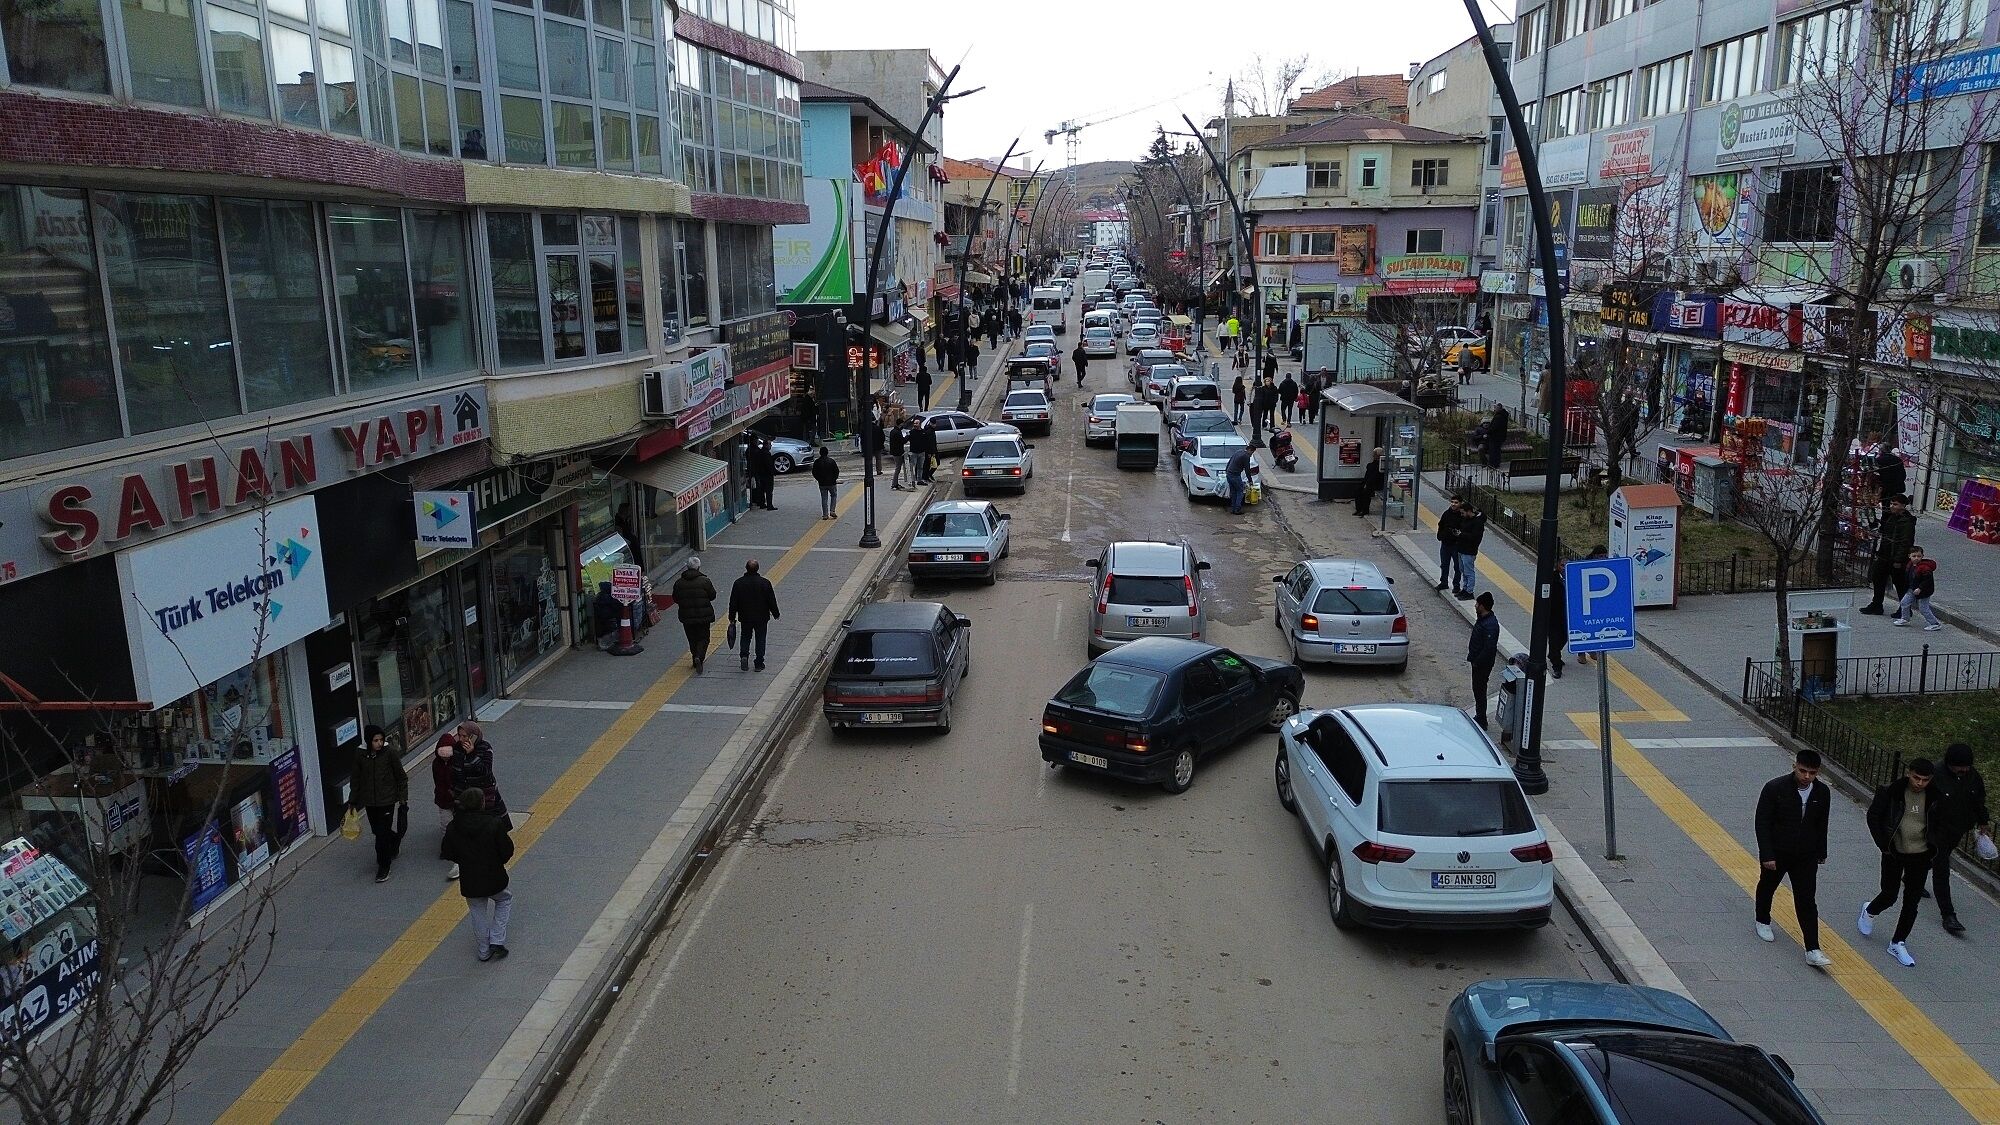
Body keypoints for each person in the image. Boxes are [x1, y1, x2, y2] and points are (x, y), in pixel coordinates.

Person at [1753, 749, 1834, 967]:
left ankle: (1812, 949)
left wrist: (1821, 851)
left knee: (1807, 900)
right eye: (1803, 771)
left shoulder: (1822, 793)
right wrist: (1767, 854)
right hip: (1778, 852)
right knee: (1768, 886)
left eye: (1812, 773)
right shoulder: (1775, 788)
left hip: (1805, 855)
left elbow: (1821, 824)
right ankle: (1762, 919)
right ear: (1794, 766)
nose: (1807, 776)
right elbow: (1762, 823)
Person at [1863, 757, 1945, 966]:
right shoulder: (1891, 792)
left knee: (1912, 901)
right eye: (1916, 778)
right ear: (1909, 773)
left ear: (1930, 780)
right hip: (1894, 852)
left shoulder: (1936, 797)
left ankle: (1898, 942)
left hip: (1921, 855)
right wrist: (1883, 845)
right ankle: (1870, 910)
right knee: (1889, 894)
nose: (1919, 783)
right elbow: (1874, 817)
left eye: (1924, 780)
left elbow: (1941, 822)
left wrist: (1935, 845)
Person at [441, 788, 514, 963]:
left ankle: (483, 951)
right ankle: (497, 939)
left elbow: (447, 852)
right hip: (494, 876)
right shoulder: (493, 823)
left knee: (477, 911)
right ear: (481, 803)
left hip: (470, 879)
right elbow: (507, 850)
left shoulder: (454, 826)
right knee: (504, 900)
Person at [1932, 744, 1989, 936]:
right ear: (1950, 764)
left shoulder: (1972, 776)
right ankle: (1948, 915)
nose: (1964, 770)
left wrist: (1983, 821)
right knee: (1941, 868)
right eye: (1960, 767)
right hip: (1936, 829)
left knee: (1936, 858)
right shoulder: (1936, 775)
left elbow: (1978, 799)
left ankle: (1912, 874)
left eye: (1967, 767)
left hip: (1957, 828)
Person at [349, 725, 408, 883]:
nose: (379, 743)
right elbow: (355, 778)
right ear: (369, 741)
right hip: (370, 801)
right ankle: (394, 840)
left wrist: (403, 798)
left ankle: (384, 866)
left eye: (381, 740)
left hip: (387, 800)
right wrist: (352, 800)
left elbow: (401, 777)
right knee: (377, 830)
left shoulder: (389, 753)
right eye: (376, 740)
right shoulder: (360, 754)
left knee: (381, 835)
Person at [1861, 494, 1918, 614]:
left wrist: (1898, 560)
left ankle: (1905, 609)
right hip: (1885, 556)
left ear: (1903, 506)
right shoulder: (1892, 518)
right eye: (1891, 503)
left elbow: (1905, 542)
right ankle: (1876, 605)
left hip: (1896, 559)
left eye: (1895, 504)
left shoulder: (1906, 522)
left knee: (1900, 583)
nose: (1892, 506)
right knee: (1878, 578)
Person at [728, 558, 781, 672]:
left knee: (745, 636)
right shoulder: (765, 583)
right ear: (758, 569)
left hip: (745, 617)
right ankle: (758, 662)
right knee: (760, 638)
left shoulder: (738, 583)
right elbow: (771, 600)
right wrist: (776, 613)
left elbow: (733, 602)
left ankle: (744, 656)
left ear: (746, 568)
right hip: (762, 617)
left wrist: (732, 618)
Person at [671, 557, 718, 674]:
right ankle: (699, 657)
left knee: (692, 638)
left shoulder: (679, 583)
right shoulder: (705, 581)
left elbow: (675, 598)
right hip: (704, 615)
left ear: (687, 567)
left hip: (686, 616)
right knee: (704, 637)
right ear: (698, 567)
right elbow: (712, 595)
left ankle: (694, 657)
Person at [430, 734, 461, 879]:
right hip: (444, 799)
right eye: (443, 757)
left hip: (457, 798)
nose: (445, 760)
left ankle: (455, 847)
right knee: (446, 824)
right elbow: (437, 781)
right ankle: (447, 847)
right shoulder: (436, 764)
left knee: (458, 823)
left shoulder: (457, 762)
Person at [1467, 592, 1499, 729]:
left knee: (1480, 690)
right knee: (1477, 689)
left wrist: (1477, 661)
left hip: (1482, 664)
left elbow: (1489, 648)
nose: (1475, 606)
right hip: (1478, 661)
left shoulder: (1490, 624)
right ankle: (1480, 716)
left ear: (1483, 606)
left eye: (1477, 604)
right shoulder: (1483, 619)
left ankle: (1482, 718)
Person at [1890, 544, 1940, 631]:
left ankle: (1935, 623)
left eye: (1919, 556)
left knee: (1923, 608)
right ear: (1909, 556)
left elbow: (1927, 581)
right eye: (1914, 556)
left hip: (1923, 591)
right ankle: (1905, 618)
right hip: (1912, 589)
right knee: (1904, 602)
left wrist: (1920, 588)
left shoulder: (1924, 568)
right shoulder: (1910, 565)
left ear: (1922, 556)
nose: (1916, 558)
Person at [1455, 502, 1487, 600]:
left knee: (1469, 571)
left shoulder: (1477, 522)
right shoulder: (1466, 519)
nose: (1462, 515)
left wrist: (1461, 534)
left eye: (1463, 513)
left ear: (1469, 511)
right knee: (1463, 570)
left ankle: (1469, 591)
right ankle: (1465, 589)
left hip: (1469, 550)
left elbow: (1475, 537)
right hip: (1461, 548)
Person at [1436, 496, 1466, 593]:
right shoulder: (1446, 513)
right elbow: (1441, 525)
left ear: (1460, 503)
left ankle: (1456, 585)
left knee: (1457, 566)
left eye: (1456, 502)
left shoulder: (1462, 516)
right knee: (1444, 564)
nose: (1453, 504)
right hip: (1445, 543)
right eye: (1452, 502)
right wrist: (1440, 536)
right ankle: (1443, 582)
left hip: (1456, 545)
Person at [1545, 564, 1566, 679]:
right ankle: (1557, 667)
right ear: (1557, 566)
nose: (1564, 567)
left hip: (1566, 616)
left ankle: (1553, 654)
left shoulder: (1573, 577)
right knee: (1555, 641)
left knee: (1564, 638)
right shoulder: (1552, 578)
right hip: (1554, 616)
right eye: (1562, 565)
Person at [591, 581, 622, 651]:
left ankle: (602, 644)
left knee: (603, 631)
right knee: (610, 630)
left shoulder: (599, 596)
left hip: (601, 618)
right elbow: (616, 606)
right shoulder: (610, 597)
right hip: (609, 617)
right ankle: (607, 644)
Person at [812, 443, 840, 519]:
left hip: (822, 483)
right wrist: (834, 479)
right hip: (832, 483)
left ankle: (825, 514)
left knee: (824, 498)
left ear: (820, 453)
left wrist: (818, 479)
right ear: (827, 453)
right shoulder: (831, 461)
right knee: (833, 495)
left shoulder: (817, 462)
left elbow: (814, 472)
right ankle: (832, 510)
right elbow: (836, 471)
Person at [1356, 448, 1384, 518]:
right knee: (1358, 490)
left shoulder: (1381, 464)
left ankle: (1365, 510)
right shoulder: (1373, 464)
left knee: (1366, 492)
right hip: (1370, 482)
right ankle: (1359, 509)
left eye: (1374, 454)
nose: (1373, 456)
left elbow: (1374, 476)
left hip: (1377, 483)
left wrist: (1367, 484)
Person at [1225, 445, 1252, 515]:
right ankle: (1237, 509)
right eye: (1252, 452)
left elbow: (1230, 461)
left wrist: (1226, 471)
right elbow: (1247, 469)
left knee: (1233, 492)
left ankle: (1233, 508)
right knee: (1240, 491)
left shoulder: (1238, 451)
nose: (1251, 454)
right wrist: (1250, 480)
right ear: (1250, 450)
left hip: (1229, 474)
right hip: (1235, 475)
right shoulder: (1246, 456)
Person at [1483, 403, 1510, 470]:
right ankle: (1497, 463)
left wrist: (1487, 432)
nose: (1494, 410)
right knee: (1497, 450)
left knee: (1493, 451)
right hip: (1501, 436)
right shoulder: (1504, 415)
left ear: (1499, 408)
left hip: (1495, 437)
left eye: (1495, 408)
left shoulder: (1498, 417)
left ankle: (1492, 464)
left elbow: (1494, 427)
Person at [914, 417, 938, 485]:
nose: (935, 425)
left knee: (926, 465)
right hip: (927, 451)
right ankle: (925, 477)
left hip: (928, 451)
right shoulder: (929, 431)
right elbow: (929, 443)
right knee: (926, 465)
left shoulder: (929, 430)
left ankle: (925, 476)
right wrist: (931, 452)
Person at [888, 420, 909, 490]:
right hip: (898, 453)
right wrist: (907, 436)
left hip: (895, 452)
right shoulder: (897, 432)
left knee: (898, 468)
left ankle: (895, 483)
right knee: (898, 468)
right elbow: (902, 441)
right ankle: (894, 484)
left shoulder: (893, 431)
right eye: (902, 424)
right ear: (900, 424)